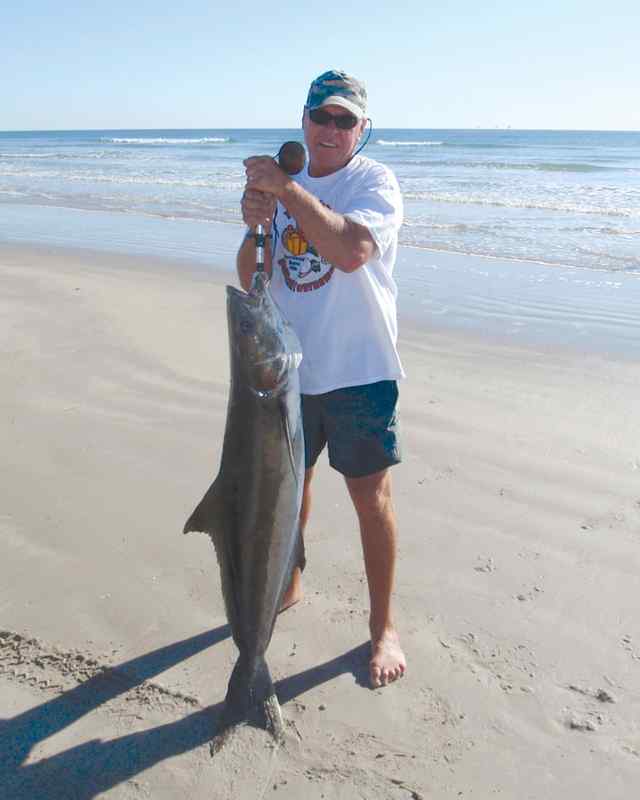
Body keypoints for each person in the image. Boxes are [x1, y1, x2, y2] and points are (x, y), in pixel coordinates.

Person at [236, 69, 406, 688]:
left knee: (370, 497)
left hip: (359, 370)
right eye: (321, 117)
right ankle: (292, 579)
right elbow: (252, 271)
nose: (331, 129)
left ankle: (383, 624)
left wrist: (285, 191)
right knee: (291, 486)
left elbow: (351, 250)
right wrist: (256, 222)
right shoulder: (289, 184)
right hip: (291, 369)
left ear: (362, 128)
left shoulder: (374, 182)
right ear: (303, 120)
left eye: (344, 120)